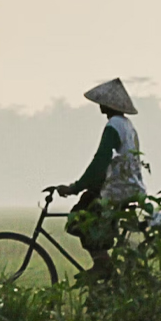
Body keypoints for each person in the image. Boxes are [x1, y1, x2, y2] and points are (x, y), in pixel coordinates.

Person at [55, 77, 146, 280]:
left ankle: (102, 264)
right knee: (91, 203)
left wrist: (75, 187)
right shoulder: (127, 125)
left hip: (119, 188)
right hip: (130, 185)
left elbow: (101, 161)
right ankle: (105, 270)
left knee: (79, 217)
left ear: (106, 105)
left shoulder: (113, 125)